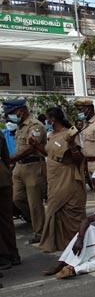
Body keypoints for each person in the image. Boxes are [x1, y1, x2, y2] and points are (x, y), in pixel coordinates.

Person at [36, 107, 86, 253]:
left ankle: (76, 241)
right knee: (54, 208)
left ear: (53, 119)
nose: (47, 122)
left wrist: (71, 145)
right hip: (53, 177)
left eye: (48, 119)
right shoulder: (52, 135)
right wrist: (35, 146)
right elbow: (49, 154)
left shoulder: (70, 134)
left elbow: (79, 159)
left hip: (67, 176)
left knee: (70, 208)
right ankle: (57, 242)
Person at [5, 98, 47, 243]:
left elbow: (30, 148)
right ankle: (37, 220)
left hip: (32, 166)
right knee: (17, 198)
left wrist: (11, 159)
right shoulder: (20, 127)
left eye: (11, 112)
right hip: (19, 167)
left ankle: (41, 231)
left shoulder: (35, 126)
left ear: (21, 111)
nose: (10, 116)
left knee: (35, 201)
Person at [0, 131, 19, 269]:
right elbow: (6, 157)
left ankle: (4, 257)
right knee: (6, 219)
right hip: (4, 177)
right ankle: (13, 254)